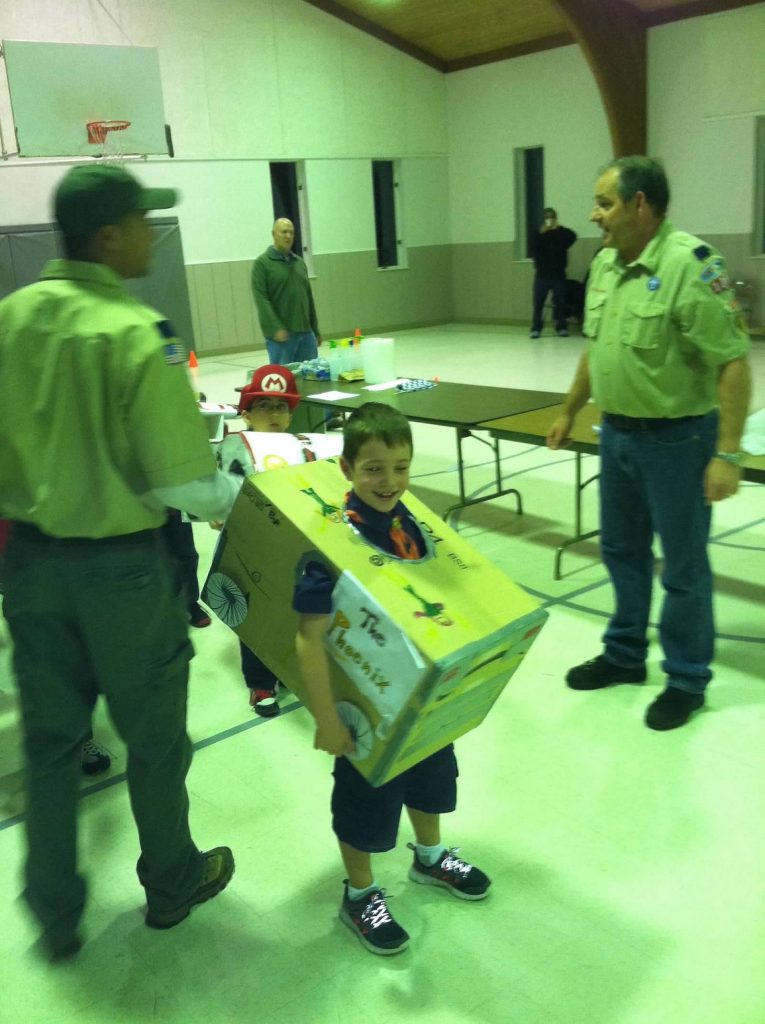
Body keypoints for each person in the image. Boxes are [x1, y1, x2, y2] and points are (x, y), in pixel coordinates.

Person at [0, 164, 241, 959]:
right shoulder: (138, 333)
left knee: (51, 742)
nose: (151, 233)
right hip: (123, 576)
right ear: (109, 235)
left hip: (31, 565)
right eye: (142, 220)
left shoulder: (10, 320)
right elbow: (182, 481)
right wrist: (244, 496)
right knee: (156, 740)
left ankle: (53, 908)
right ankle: (173, 882)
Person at [547, 156, 751, 731]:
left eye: (605, 203)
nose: (595, 215)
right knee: (620, 551)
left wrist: (727, 453)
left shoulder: (692, 264)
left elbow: (734, 363)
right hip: (616, 435)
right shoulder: (607, 265)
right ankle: (625, 655)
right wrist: (568, 409)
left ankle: (686, 677)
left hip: (678, 441)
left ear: (641, 204)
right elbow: (597, 346)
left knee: (683, 566)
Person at [293, 403, 490, 956]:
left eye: (400, 467)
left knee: (430, 777)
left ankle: (429, 859)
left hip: (419, 694)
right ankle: (359, 893)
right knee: (364, 802)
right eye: (374, 468)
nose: (390, 480)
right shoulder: (330, 545)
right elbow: (308, 638)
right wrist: (327, 718)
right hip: (364, 704)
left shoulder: (411, 527)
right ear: (347, 468)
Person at [231, 363, 303, 717]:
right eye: (264, 406)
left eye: (281, 407)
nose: (274, 414)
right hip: (249, 544)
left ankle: (287, 666)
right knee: (255, 612)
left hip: (289, 544)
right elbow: (221, 495)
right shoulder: (236, 450)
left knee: (293, 609)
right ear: (247, 413)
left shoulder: (303, 449)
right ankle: (260, 681)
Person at [251, 218, 320, 365]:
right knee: (283, 380)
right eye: (284, 232)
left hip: (306, 334)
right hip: (282, 337)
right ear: (274, 234)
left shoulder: (300, 263)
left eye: (291, 233)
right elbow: (261, 299)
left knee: (311, 378)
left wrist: (315, 329)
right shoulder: (262, 264)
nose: (288, 236)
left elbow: (308, 298)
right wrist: (275, 328)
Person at [530, 207, 577, 338]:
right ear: (544, 219)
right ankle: (536, 328)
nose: (549, 220)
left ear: (555, 218)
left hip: (558, 274)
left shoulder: (561, 233)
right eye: (547, 217)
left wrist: (558, 228)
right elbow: (532, 247)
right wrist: (541, 233)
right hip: (542, 274)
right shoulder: (538, 233)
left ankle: (561, 327)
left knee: (560, 302)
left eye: (551, 217)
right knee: (538, 302)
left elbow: (573, 236)